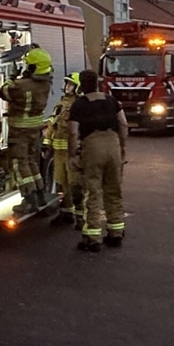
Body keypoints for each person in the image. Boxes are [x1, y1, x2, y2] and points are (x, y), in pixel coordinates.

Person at [69, 69, 128, 252]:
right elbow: (123, 124)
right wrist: (122, 146)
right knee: (114, 190)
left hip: (92, 147)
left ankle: (93, 238)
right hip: (113, 145)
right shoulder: (111, 100)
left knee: (93, 192)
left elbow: (72, 132)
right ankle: (115, 232)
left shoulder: (78, 104)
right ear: (97, 82)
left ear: (81, 85)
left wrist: (72, 155)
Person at [1, 47, 54, 215]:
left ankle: (29, 199)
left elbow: (4, 91)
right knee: (31, 161)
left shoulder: (21, 85)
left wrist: (11, 76)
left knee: (18, 164)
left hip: (20, 131)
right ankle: (40, 194)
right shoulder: (46, 83)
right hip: (35, 129)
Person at [49, 72, 83, 227]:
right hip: (58, 150)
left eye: (71, 84)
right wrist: (47, 141)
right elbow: (53, 123)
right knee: (62, 183)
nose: (67, 87)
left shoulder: (78, 105)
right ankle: (66, 214)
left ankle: (81, 218)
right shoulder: (61, 103)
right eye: (67, 84)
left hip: (71, 152)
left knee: (75, 185)